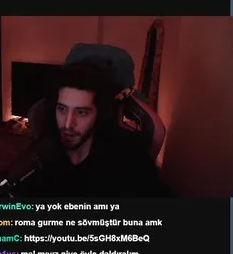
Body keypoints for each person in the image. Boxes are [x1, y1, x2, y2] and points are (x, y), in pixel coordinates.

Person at [20, 64, 170, 197]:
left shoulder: (127, 160)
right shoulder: (44, 154)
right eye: (62, 109)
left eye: (82, 112)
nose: (68, 124)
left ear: (100, 114)